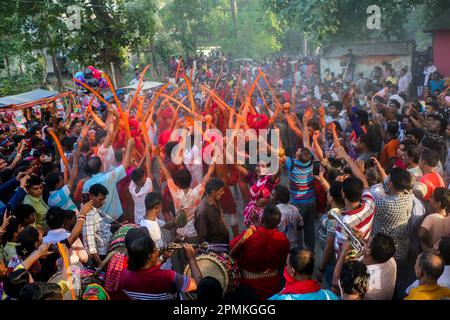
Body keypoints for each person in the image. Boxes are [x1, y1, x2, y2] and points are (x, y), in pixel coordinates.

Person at [117, 227, 203, 300]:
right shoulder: (169, 278)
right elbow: (199, 285)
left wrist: (163, 259)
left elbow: (145, 272)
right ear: (149, 255)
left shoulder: (124, 276)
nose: (158, 250)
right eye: (155, 248)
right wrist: (191, 257)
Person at [230, 205, 290, 299]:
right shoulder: (283, 239)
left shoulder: (250, 234)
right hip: (273, 284)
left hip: (249, 285)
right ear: (278, 223)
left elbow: (232, 247)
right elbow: (282, 262)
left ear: (262, 220)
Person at [82, 138, 134, 222]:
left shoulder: (86, 185)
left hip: (98, 221)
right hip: (116, 218)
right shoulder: (109, 177)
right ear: (101, 167)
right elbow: (125, 165)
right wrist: (129, 147)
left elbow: (86, 204)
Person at [269, 248, 338, 300]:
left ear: (292, 271)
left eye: (287, 265)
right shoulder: (330, 296)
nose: (285, 267)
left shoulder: (280, 298)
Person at [82, 184, 113, 267]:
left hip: (104, 252)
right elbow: (89, 241)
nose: (103, 202)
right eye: (100, 199)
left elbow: (100, 228)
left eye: (104, 199)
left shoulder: (94, 210)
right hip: (100, 256)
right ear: (92, 196)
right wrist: (99, 263)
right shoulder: (89, 214)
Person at [361, 233, 397, 300]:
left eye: (368, 244)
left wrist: (343, 251)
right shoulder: (391, 260)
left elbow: (336, 283)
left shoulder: (365, 279)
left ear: (369, 251)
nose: (366, 245)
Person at [194, 178, 229, 244]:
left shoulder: (216, 200)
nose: (223, 192)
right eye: (221, 191)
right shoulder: (202, 212)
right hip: (215, 249)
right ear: (213, 192)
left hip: (223, 244)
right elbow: (202, 239)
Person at [271, 185, 303, 249]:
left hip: (280, 245)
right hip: (293, 245)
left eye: (272, 195)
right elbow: (300, 226)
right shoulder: (294, 209)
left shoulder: (274, 210)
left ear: (278, 199)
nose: (270, 197)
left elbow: (270, 230)